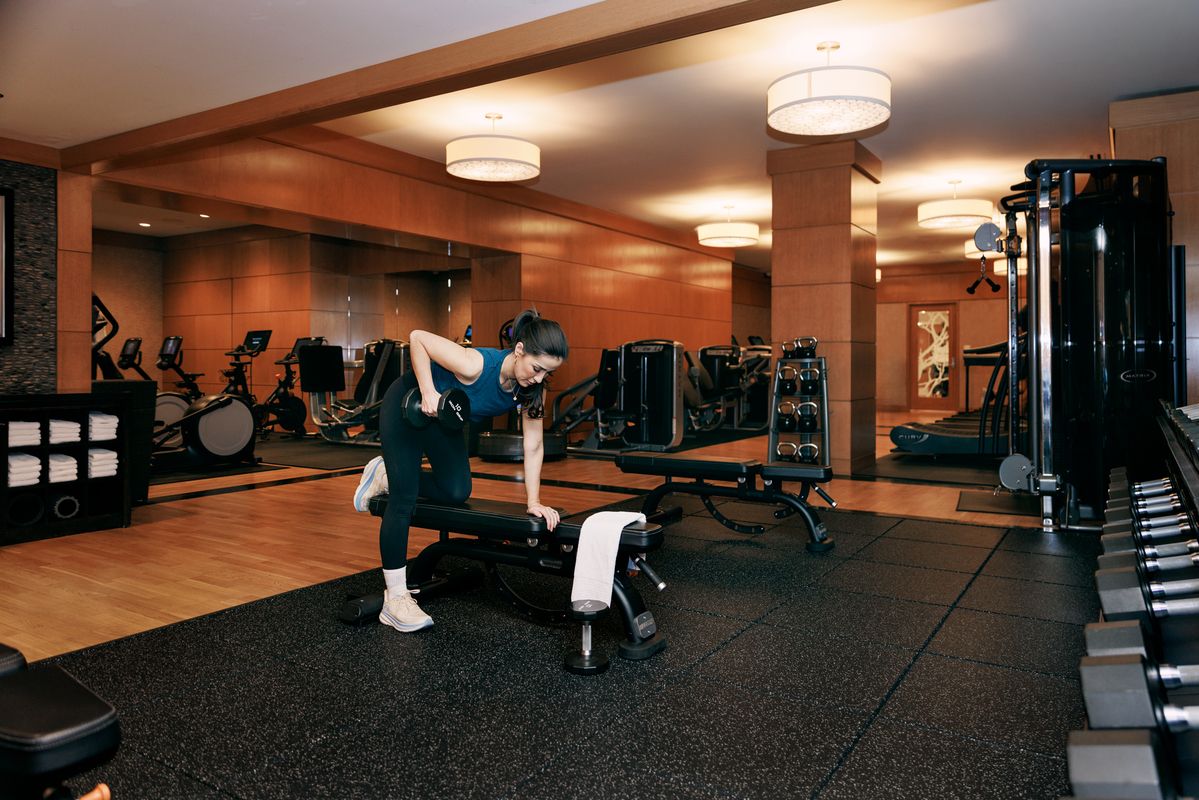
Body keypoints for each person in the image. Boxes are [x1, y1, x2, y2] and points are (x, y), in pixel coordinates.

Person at [354, 309, 568, 632]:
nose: (538, 379)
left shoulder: (532, 389)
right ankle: (395, 598)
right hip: (409, 405)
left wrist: (533, 501)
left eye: (546, 374)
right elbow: (418, 338)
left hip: (443, 418)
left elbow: (534, 445)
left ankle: (384, 474)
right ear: (520, 350)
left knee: (456, 491)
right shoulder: (476, 364)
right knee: (404, 498)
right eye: (537, 368)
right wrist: (428, 390)